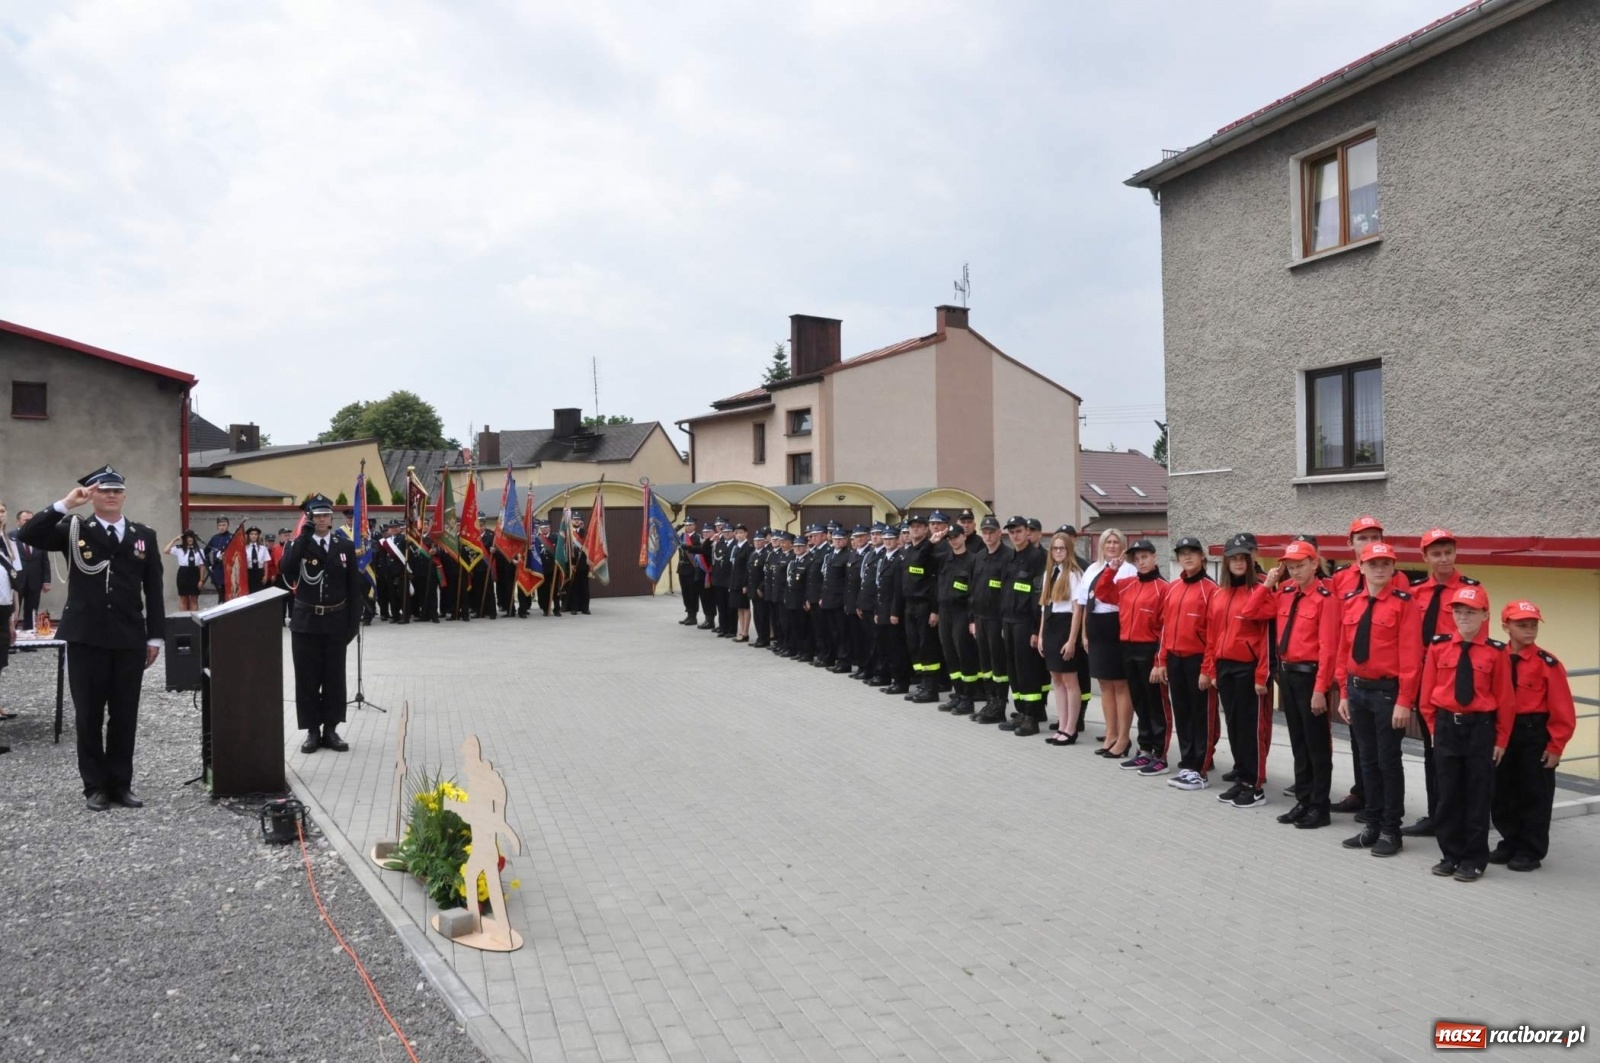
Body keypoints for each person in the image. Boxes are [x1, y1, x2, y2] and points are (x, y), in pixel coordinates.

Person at [18, 466, 165, 811]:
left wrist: (155, 636)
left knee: (125, 714)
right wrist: (66, 503)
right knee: (88, 714)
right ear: (92, 495)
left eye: (116, 490)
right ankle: (94, 787)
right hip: (86, 636)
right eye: (103, 490)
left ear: (124, 495)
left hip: (129, 636)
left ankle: (120, 784)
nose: (110, 495)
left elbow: (154, 589)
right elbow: (28, 533)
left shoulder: (143, 534)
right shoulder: (74, 529)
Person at [1416, 584, 1513, 882]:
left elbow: (1506, 701)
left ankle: (1474, 858)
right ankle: (1450, 854)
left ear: (1485, 615)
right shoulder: (1438, 647)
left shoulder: (1497, 653)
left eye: (1470, 611)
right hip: (1446, 727)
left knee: (1477, 796)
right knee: (1447, 795)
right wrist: (1433, 730)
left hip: (1479, 729)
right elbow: (1427, 695)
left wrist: (1500, 739)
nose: (1463, 617)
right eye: (1458, 611)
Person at [1334, 540, 1421, 857]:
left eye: (1386, 564)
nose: (1380, 569)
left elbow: (1411, 656)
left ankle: (1391, 830)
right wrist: (1343, 691)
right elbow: (1344, 650)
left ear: (1393, 568)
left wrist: (1405, 700)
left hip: (1388, 694)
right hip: (1358, 691)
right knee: (1367, 762)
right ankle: (1371, 825)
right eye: (1373, 564)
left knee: (1388, 762)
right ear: (1361, 567)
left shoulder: (1404, 604)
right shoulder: (1352, 602)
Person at [1246, 539, 1339, 827]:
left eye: (1301, 566)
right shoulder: (1284, 592)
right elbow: (1251, 612)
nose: (1295, 572)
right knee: (1298, 742)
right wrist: (1267, 583)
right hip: (1287, 674)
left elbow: (1329, 648)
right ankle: (1303, 799)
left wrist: (1321, 689)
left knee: (1317, 745)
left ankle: (1319, 807)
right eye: (1290, 566)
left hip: (1311, 676)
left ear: (1314, 564)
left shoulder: (1326, 597)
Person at [1329, 515, 1412, 819]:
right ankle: (1365, 800)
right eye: (1362, 538)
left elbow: (1406, 645)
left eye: (1375, 537)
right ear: (1351, 546)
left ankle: (1388, 818)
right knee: (1364, 751)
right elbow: (1341, 636)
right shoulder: (1343, 583)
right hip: (1356, 683)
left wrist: (1404, 697)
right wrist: (1342, 685)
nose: (1369, 544)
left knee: (1386, 756)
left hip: (1386, 686)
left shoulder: (1397, 585)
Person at [1402, 527, 1481, 839]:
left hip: (1457, 685)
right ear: (1425, 557)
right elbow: (1408, 640)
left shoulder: (1472, 591)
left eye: (1448, 552)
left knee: (1462, 755)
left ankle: (1461, 819)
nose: (1443, 558)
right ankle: (1437, 815)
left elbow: (1480, 642)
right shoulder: (1416, 592)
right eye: (1436, 553)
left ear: (1455, 553)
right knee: (1433, 750)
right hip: (1424, 680)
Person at [1491, 599, 1577, 872]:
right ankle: (1510, 841)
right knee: (1502, 791)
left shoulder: (1547, 664)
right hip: (1501, 733)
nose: (1529, 630)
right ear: (1506, 627)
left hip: (1532, 733)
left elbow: (1562, 709)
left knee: (1534, 793)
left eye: (1532, 625)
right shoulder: (1494, 658)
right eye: (1522, 625)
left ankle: (1530, 849)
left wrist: (1556, 745)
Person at [278, 494, 362, 754]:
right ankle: (312, 731)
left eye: (326, 515)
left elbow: (353, 588)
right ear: (310, 518)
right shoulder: (297, 544)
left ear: (331, 517)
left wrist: (352, 624)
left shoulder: (344, 545)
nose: (322, 520)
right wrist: (303, 537)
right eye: (317, 516)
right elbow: (287, 570)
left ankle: (331, 729)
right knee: (308, 678)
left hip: (336, 621)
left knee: (334, 678)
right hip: (306, 623)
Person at [1203, 533, 1272, 808]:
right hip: (1225, 667)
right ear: (1227, 561)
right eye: (1234, 558)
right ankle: (1241, 777)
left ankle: (1255, 785)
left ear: (1251, 559)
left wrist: (1261, 675)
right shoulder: (1220, 595)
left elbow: (1267, 639)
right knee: (1234, 724)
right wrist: (1211, 669)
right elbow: (1211, 635)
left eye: (1244, 557)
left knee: (1251, 727)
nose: (1239, 562)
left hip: (1249, 667)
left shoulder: (1261, 593)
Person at [1097, 538, 1169, 771]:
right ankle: (1145, 748)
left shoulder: (1164, 588)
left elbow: (1166, 627)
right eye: (1137, 559)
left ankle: (1160, 753)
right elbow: (1102, 593)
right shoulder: (1127, 583)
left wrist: (1160, 659)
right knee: (1139, 702)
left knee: (1155, 703)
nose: (1141, 562)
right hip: (1127, 649)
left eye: (1145, 557)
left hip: (1150, 649)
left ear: (1155, 557)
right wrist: (1111, 569)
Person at [1154, 536, 1217, 789]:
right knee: (1182, 711)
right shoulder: (1173, 588)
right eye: (1182, 553)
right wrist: (1162, 660)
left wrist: (1207, 669)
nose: (1187, 557)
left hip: (1198, 660)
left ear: (1202, 557)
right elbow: (1165, 628)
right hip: (1175, 659)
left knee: (1201, 714)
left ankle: (1201, 766)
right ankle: (1188, 759)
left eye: (1192, 552)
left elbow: (1214, 634)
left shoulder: (1211, 589)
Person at [1078, 529, 1136, 757]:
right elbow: (1084, 604)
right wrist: (1084, 633)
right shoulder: (1092, 569)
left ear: (1123, 546)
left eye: (1116, 542)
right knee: (1104, 686)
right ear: (1101, 546)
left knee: (1121, 686)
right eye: (1108, 542)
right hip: (1096, 629)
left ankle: (1123, 737)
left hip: (1116, 628)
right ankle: (1110, 733)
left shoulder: (1128, 569)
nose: (1112, 546)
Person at [998, 516, 1047, 734]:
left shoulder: (1036, 558)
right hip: (1009, 621)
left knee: (1028, 670)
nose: (1015, 535)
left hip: (1026, 623)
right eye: (1011, 532)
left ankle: (1032, 717)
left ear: (1027, 532)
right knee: (1014, 671)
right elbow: (1004, 591)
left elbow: (1039, 597)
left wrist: (1037, 630)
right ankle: (1020, 711)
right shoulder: (1009, 558)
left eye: (1018, 531)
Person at [1037, 531, 1083, 744]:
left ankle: (1071, 728)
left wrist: (1072, 640)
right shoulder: (1050, 573)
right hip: (1051, 627)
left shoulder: (1074, 574)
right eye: (1054, 548)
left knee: (1069, 680)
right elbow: (1045, 608)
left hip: (1065, 628)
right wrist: (1040, 636)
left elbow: (1077, 611)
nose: (1057, 552)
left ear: (1068, 550)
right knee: (1056, 678)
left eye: (1061, 548)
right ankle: (1062, 724)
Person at [968, 515, 1012, 723]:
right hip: (980, 618)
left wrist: (1004, 622)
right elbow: (972, 589)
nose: (988, 536)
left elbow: (1008, 593)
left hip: (997, 619)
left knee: (998, 665)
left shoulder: (1008, 557)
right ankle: (990, 700)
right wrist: (972, 619)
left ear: (999, 533)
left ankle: (1000, 704)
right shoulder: (978, 557)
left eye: (991, 532)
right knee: (984, 663)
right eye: (984, 532)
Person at [936, 520, 979, 715]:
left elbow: (974, 593)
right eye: (950, 538)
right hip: (945, 612)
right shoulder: (945, 558)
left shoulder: (973, 560)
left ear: (964, 536)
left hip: (962, 612)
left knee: (964, 655)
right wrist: (932, 541)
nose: (953, 541)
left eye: (956, 537)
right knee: (950, 656)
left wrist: (971, 619)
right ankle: (958, 694)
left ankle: (968, 699)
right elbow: (921, 560)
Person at [9, 510, 50, 630]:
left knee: (32, 610)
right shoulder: (10, 537)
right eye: (26, 520)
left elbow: (45, 561)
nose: (29, 522)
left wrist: (46, 581)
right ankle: (11, 638)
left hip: (35, 580)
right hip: (16, 581)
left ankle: (29, 635)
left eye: (31, 520)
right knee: (13, 610)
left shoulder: (39, 538)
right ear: (18, 521)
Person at [0, 499, 18, 724]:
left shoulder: (8, 543)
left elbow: (14, 583)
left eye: (2, 510)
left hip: (3, 609)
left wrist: (13, 618)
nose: (0, 515)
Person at [165, 529, 208, 611]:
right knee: (183, 598)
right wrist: (175, 540)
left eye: (191, 537)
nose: (190, 539)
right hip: (183, 574)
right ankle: (183, 620)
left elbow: (202, 566)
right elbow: (165, 550)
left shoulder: (199, 550)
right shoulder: (179, 549)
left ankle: (193, 620)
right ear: (184, 539)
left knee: (194, 599)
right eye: (187, 537)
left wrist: (201, 580)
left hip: (195, 573)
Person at [676, 519, 705, 625]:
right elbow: (670, 536)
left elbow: (700, 549)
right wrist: (678, 526)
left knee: (693, 593)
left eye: (690, 525)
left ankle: (693, 616)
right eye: (686, 525)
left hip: (692, 568)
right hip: (682, 567)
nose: (687, 527)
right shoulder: (681, 536)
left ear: (695, 526)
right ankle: (688, 614)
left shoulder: (698, 537)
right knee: (685, 593)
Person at [730, 524, 752, 642]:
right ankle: (741, 630)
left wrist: (745, 584)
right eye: (737, 532)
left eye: (741, 532)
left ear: (746, 533)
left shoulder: (748, 547)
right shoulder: (736, 547)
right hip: (735, 582)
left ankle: (745, 632)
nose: (739, 534)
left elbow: (748, 568)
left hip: (742, 582)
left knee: (745, 607)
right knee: (739, 607)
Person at [206, 516, 233, 601]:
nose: (222, 527)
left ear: (228, 525)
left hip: (229, 569)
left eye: (224, 525)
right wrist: (209, 565)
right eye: (220, 525)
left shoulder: (232, 537)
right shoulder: (214, 538)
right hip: (217, 568)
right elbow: (205, 552)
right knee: (220, 593)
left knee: (228, 593)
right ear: (217, 526)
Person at [243, 527, 269, 593]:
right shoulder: (244, 548)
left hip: (259, 572)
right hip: (249, 572)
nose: (254, 536)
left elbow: (265, 563)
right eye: (251, 534)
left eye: (256, 534)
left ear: (258, 536)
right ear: (248, 536)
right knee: (250, 592)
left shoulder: (263, 548)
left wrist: (265, 575)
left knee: (260, 592)